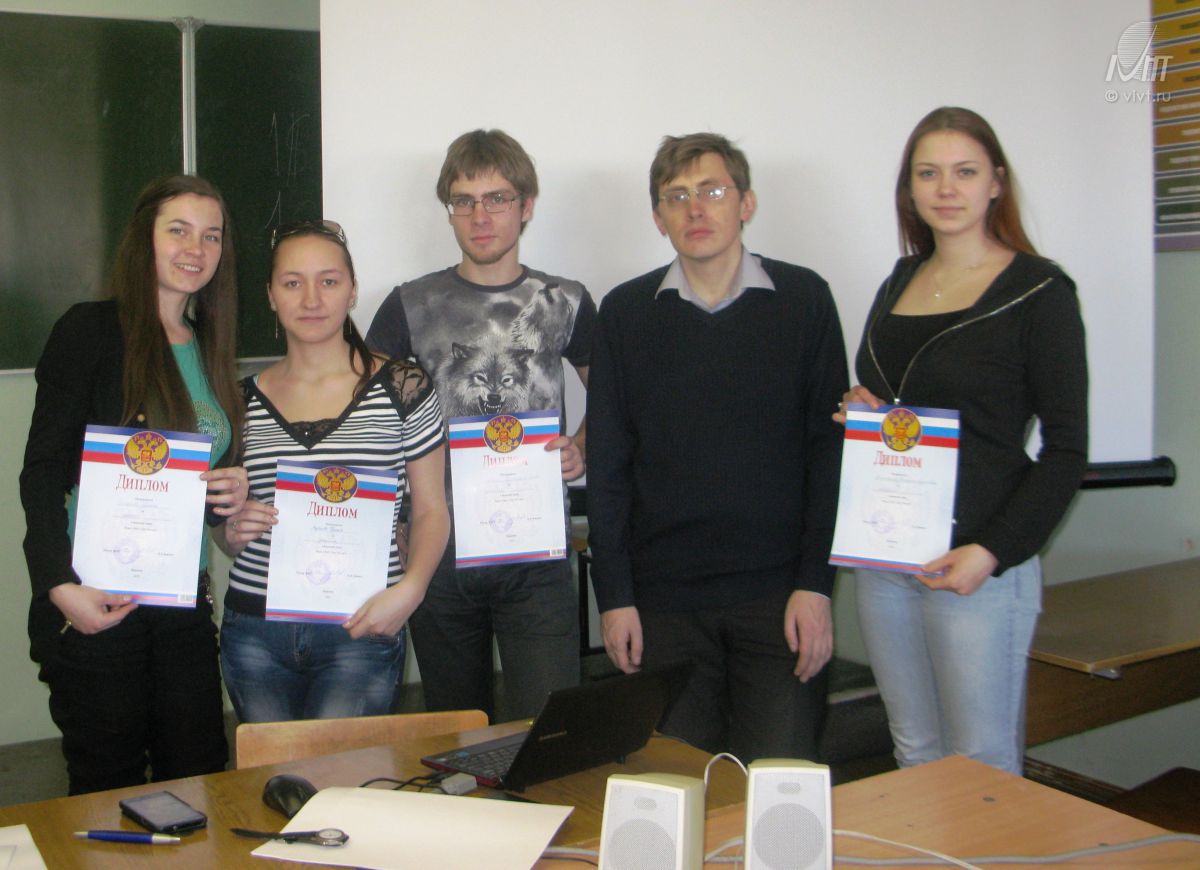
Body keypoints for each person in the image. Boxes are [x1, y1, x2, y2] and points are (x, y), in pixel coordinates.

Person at [835, 107, 1088, 775]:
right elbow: (906, 406)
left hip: (975, 563)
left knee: (979, 766)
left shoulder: (1039, 292)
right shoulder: (900, 280)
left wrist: (993, 552)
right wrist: (867, 411)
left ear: (996, 183)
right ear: (910, 189)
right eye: (928, 173)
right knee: (915, 752)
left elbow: (1067, 449)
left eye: (965, 172)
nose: (946, 189)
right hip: (887, 559)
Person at [586, 133, 849, 762]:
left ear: (746, 203)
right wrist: (615, 597)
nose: (695, 209)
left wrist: (816, 586)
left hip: (779, 599)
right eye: (676, 197)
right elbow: (610, 467)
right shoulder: (624, 313)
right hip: (663, 606)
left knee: (780, 788)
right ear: (658, 217)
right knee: (677, 787)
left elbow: (828, 453)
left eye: (711, 190)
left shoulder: (804, 300)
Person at [20, 175, 248, 794]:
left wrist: (225, 497)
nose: (195, 249)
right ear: (144, 237)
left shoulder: (209, 346)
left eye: (211, 236)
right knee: (106, 790)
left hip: (183, 608)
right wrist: (59, 587)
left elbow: (189, 491)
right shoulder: (90, 331)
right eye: (178, 230)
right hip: (99, 599)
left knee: (198, 782)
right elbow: (42, 472)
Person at [367, 129, 595, 722]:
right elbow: (370, 422)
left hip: (537, 555)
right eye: (463, 201)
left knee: (546, 730)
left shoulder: (565, 300)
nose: (480, 216)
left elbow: (617, 400)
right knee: (456, 738)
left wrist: (581, 445)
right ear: (448, 210)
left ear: (526, 205)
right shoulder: (409, 304)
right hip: (438, 552)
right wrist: (392, 524)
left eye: (497, 198)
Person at [218, 220, 449, 723]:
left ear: (352, 291)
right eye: (292, 282)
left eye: (328, 281)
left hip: (363, 624)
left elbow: (432, 509)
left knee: (342, 768)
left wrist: (410, 591)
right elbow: (225, 530)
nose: (311, 299)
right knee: (274, 771)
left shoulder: (404, 387)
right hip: (255, 630)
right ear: (271, 296)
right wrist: (231, 531)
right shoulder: (238, 401)